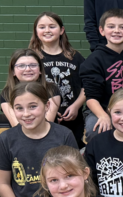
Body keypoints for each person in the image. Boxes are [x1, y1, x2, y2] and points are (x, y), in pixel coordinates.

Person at [79, 9, 123, 142]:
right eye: (111, 27)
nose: (116, 31)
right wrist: (103, 116)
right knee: (95, 129)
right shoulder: (94, 60)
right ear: (102, 30)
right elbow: (91, 97)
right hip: (102, 109)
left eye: (122, 27)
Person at [31, 12, 86, 147]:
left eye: (52, 26)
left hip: (72, 116)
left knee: (71, 150)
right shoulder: (32, 58)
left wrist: (76, 106)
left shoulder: (75, 57)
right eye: (42, 27)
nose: (47, 30)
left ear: (61, 30)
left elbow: (86, 86)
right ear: (36, 31)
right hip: (44, 116)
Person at [0, 48, 61, 127]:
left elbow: (46, 124)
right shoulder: (6, 93)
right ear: (13, 71)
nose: (28, 69)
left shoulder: (51, 89)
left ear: (40, 70)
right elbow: (17, 126)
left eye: (33, 65)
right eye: (21, 66)